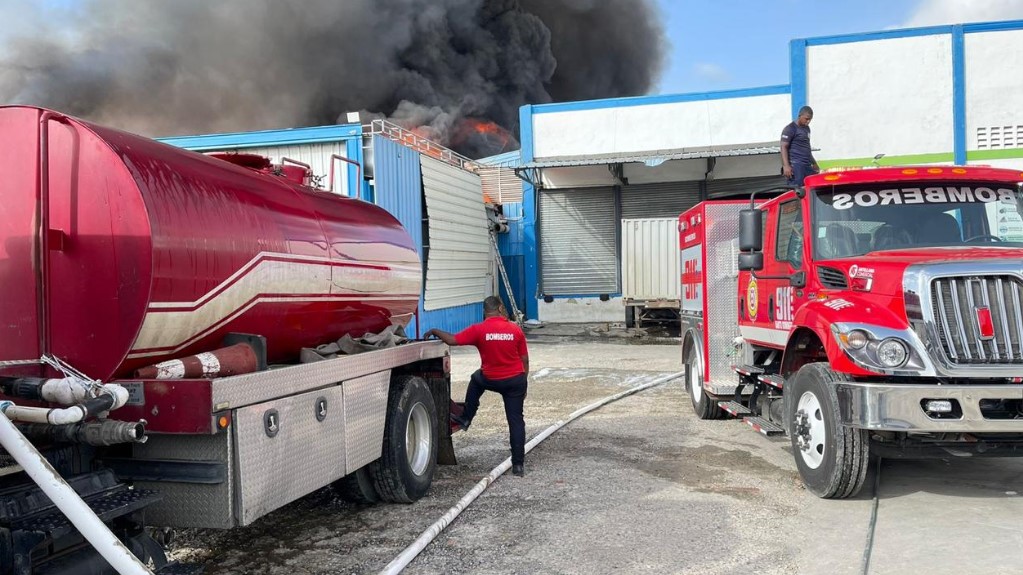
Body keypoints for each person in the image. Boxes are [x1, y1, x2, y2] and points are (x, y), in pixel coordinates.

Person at [425, 296, 530, 477]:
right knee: (516, 421)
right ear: (500, 308)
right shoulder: (515, 330)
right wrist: (524, 383)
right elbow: (525, 360)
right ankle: (518, 465)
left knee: (476, 379)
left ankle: (466, 417)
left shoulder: (479, 330)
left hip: (491, 378)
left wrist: (435, 330)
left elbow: (451, 340)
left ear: (484, 311)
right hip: (515, 381)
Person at [781, 106, 819, 187]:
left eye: (810, 119)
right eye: (806, 118)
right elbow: (783, 147)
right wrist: (786, 166)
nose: (808, 121)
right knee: (798, 191)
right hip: (796, 166)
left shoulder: (807, 129)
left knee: (813, 188)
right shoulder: (790, 129)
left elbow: (807, 147)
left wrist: (814, 163)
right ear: (800, 116)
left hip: (807, 165)